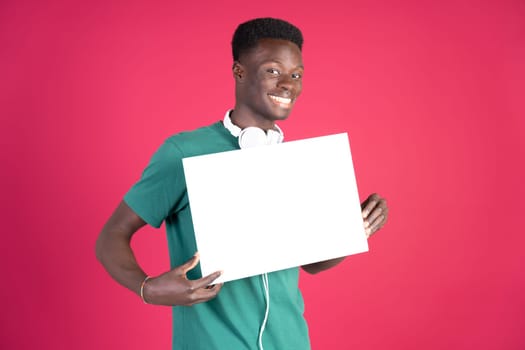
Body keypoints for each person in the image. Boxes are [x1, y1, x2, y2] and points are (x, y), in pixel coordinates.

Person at [96, 17, 388, 350]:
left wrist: (353, 230)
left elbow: (312, 264)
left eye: (296, 75)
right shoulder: (183, 152)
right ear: (239, 72)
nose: (288, 85)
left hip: (291, 342)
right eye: (273, 71)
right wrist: (147, 288)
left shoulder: (299, 165)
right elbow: (111, 236)